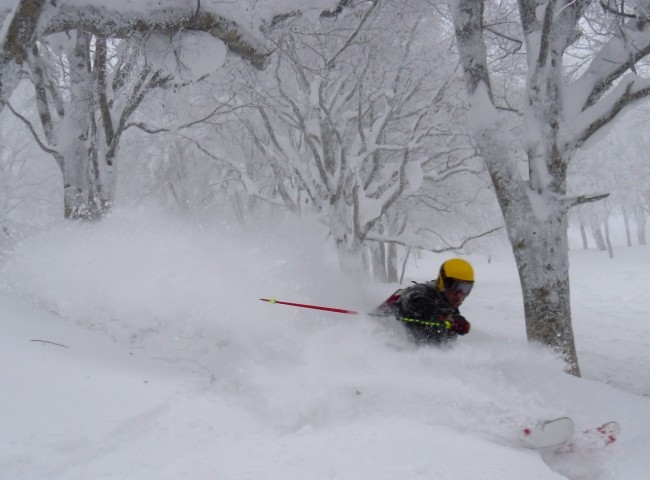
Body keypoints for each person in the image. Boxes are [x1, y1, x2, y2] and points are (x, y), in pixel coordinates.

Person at [376, 258, 474, 345]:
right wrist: (447, 317)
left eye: (465, 288)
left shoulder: (450, 309)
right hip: (380, 342)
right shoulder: (421, 291)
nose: (459, 294)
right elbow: (415, 302)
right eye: (453, 286)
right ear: (441, 282)